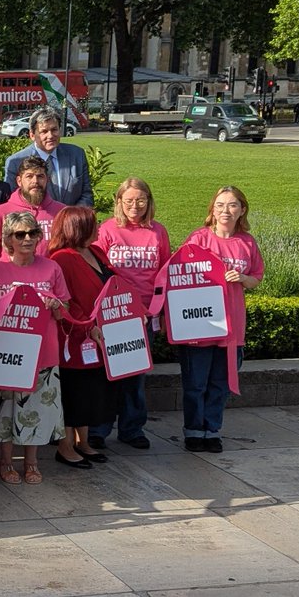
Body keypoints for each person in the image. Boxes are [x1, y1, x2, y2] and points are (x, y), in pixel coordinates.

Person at [0, 211, 70, 485]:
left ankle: (32, 463)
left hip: (43, 351)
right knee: (7, 410)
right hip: (7, 351)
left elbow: (66, 310)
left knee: (35, 409)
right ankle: (6, 461)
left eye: (32, 233)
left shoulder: (51, 268)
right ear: (8, 238)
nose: (27, 239)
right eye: (19, 234)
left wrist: (57, 305)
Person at [178, 187, 263, 453]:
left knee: (220, 384)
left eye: (233, 205)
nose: (226, 211)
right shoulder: (199, 239)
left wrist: (242, 278)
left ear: (242, 210)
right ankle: (193, 430)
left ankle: (211, 430)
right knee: (196, 384)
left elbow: (256, 278)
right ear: (212, 210)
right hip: (200, 325)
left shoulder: (247, 242)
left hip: (232, 326)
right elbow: (180, 274)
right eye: (220, 205)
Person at [90, 177, 170, 450]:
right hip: (113, 312)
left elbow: (163, 274)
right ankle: (98, 429)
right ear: (119, 203)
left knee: (135, 375)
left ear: (149, 202)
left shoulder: (158, 232)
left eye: (140, 200)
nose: (134, 206)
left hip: (145, 314)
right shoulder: (108, 230)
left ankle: (132, 428)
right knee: (106, 373)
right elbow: (98, 272)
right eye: (128, 201)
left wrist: (155, 310)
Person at [48, 207, 118, 469]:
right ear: (78, 228)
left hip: (100, 336)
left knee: (92, 392)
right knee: (75, 393)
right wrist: (87, 327)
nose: (99, 228)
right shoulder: (62, 259)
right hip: (76, 339)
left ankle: (83, 442)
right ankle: (65, 446)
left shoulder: (96, 251)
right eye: (93, 224)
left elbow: (114, 283)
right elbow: (65, 302)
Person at [3, 106, 93, 207]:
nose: (50, 136)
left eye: (54, 129)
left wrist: (71, 219)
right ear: (32, 135)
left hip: (72, 220)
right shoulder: (16, 162)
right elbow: (14, 202)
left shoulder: (77, 155)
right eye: (44, 131)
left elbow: (86, 195)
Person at [0, 156, 64, 260]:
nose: (35, 181)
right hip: (10, 274)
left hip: (53, 274)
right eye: (29, 176)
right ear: (19, 181)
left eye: (40, 176)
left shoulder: (62, 213)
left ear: (48, 180)